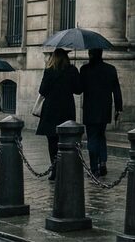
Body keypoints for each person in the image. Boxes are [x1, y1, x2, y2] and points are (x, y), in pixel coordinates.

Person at [36, 48, 81, 179]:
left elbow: (42, 90)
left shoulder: (49, 71)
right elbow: (78, 90)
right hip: (66, 108)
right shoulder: (72, 70)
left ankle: (54, 168)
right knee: (66, 138)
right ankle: (66, 168)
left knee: (52, 140)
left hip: (51, 109)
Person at [79, 48, 123, 177]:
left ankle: (94, 168)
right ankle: (103, 162)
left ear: (90, 54)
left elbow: (79, 89)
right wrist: (118, 108)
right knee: (101, 135)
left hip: (90, 109)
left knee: (92, 137)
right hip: (105, 108)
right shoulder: (110, 69)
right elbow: (117, 91)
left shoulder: (85, 69)